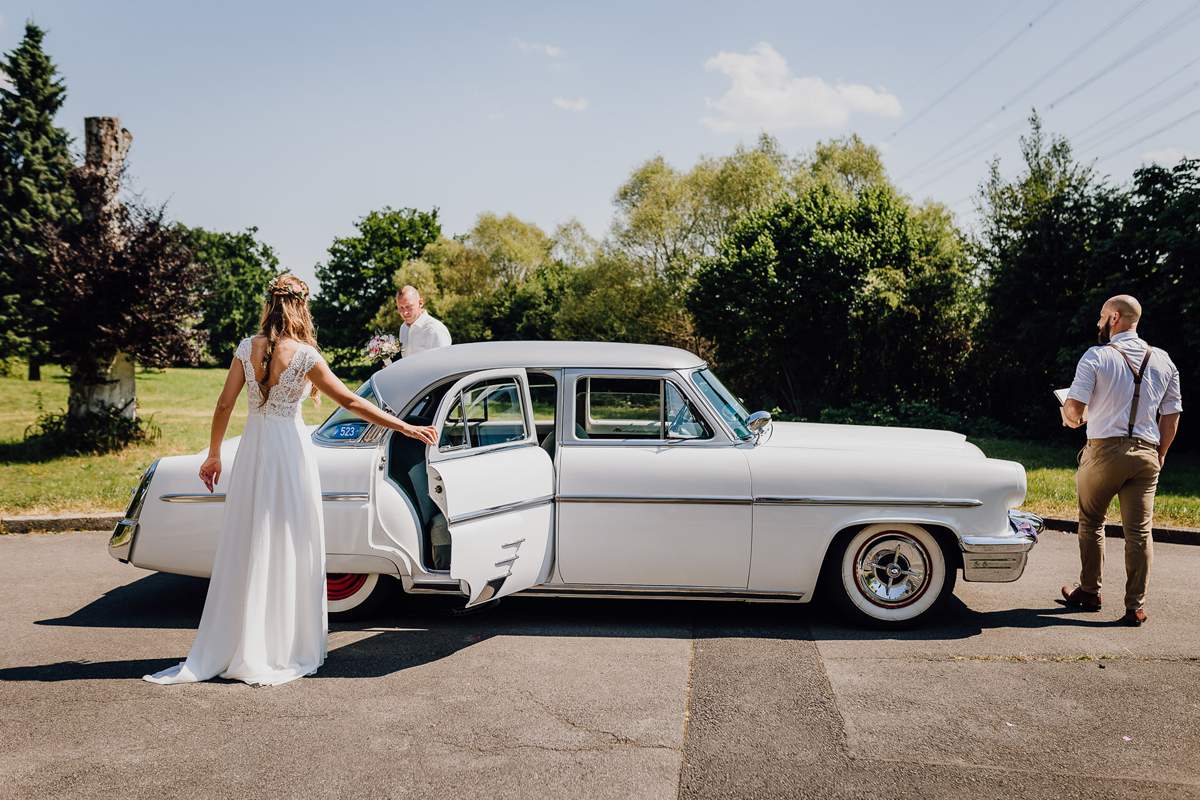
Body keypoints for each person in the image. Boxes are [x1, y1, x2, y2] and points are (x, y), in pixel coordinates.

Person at [144, 274, 437, 687]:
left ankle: (242, 642)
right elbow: (350, 400)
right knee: (290, 541)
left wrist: (213, 455)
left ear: (270, 305)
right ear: (302, 307)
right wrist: (404, 427)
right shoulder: (304, 355)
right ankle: (277, 646)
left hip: (253, 449)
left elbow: (224, 404)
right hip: (289, 454)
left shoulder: (246, 348)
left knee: (249, 539)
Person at [1059, 294, 1182, 626]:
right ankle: (1135, 607)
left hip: (1104, 451)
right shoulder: (1164, 360)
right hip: (1146, 453)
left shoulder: (1096, 356)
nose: (1099, 322)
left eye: (1102, 316)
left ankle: (1089, 592)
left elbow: (1075, 409)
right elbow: (1171, 416)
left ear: (1115, 317)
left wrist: (1069, 416)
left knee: (1091, 522)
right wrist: (1160, 453)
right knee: (1139, 533)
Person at [395, 284, 451, 357]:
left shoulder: (435, 329)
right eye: (401, 308)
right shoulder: (403, 328)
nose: (405, 312)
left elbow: (444, 361)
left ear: (420, 303)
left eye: (408, 307)